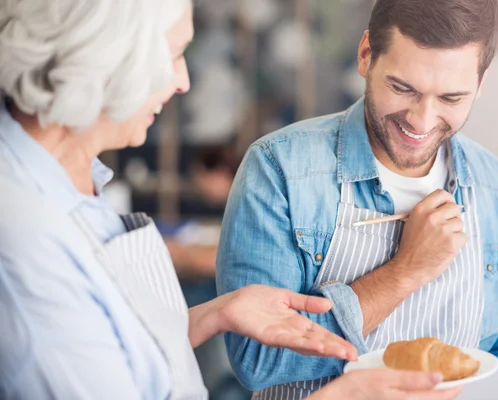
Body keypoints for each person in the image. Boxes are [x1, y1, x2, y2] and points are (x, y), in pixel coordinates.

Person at [0, 1, 462, 399]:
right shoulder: (27, 245)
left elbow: (109, 353)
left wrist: (213, 314)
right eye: (175, 53)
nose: (182, 82)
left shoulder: (64, 181)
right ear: (101, 58)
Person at [217, 0, 498, 398]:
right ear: (366, 54)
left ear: (481, 81)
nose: (421, 121)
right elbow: (256, 360)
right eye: (403, 88)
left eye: (451, 99)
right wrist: (403, 273)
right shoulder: (280, 169)